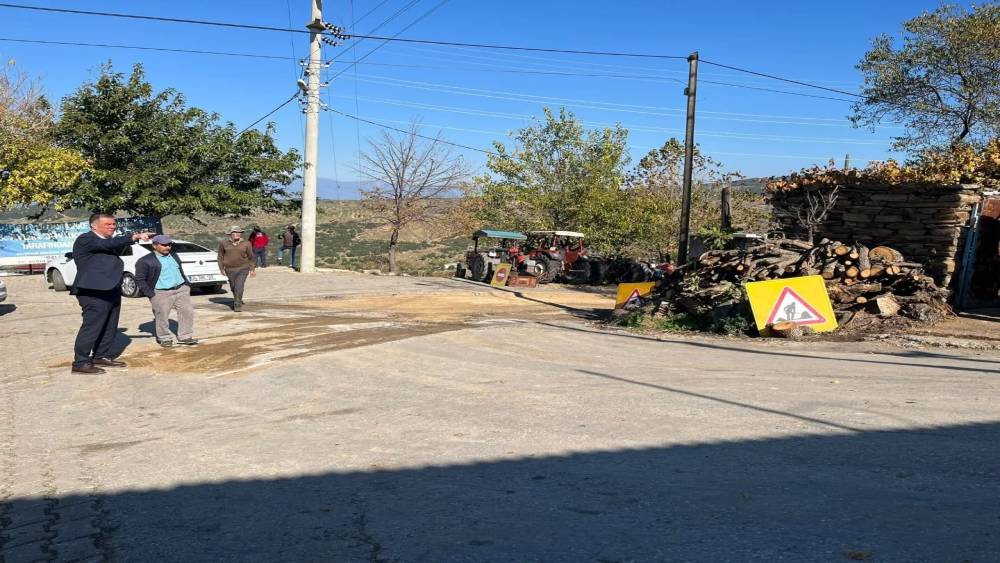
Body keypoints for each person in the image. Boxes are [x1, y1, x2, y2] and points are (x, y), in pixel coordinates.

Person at [70, 213, 152, 374]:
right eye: (108, 224)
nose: (113, 227)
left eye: (114, 224)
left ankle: (101, 356)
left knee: (109, 326)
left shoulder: (107, 242)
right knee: (92, 327)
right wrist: (134, 236)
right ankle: (80, 362)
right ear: (94, 226)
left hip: (111, 289)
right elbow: (108, 244)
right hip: (93, 291)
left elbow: (112, 246)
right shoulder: (86, 239)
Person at [135, 234, 199, 348]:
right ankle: (164, 338)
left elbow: (180, 270)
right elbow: (139, 280)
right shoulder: (145, 261)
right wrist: (151, 294)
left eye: (169, 244)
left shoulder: (173, 255)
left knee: (187, 312)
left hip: (181, 289)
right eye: (164, 245)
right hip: (161, 293)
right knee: (162, 316)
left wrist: (186, 284)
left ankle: (185, 336)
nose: (167, 247)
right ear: (154, 246)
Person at [217, 226, 256, 312]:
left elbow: (251, 257)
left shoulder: (246, 243)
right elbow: (220, 256)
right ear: (230, 234)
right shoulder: (223, 243)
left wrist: (252, 269)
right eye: (235, 232)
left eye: (239, 232)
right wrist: (221, 268)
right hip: (229, 269)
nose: (237, 234)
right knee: (233, 287)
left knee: (239, 286)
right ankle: (238, 299)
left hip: (243, 268)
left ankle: (237, 305)